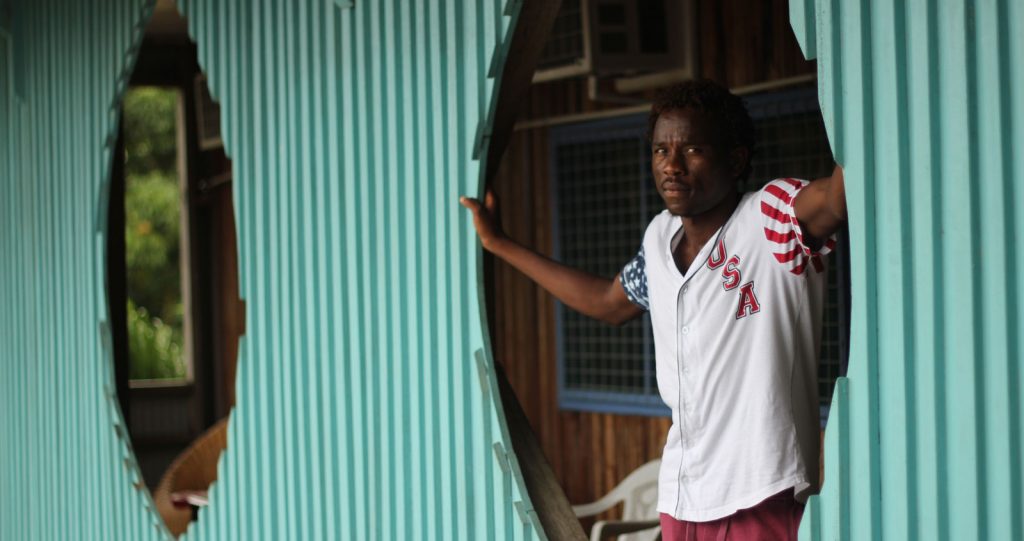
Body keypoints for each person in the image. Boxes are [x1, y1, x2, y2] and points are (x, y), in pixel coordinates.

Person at [460, 79, 846, 541]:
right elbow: (607, 303)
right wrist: (499, 244)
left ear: (736, 159)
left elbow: (836, 197)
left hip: (759, 490)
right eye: (661, 150)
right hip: (683, 493)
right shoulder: (660, 239)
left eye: (693, 149)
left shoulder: (769, 219)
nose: (672, 166)